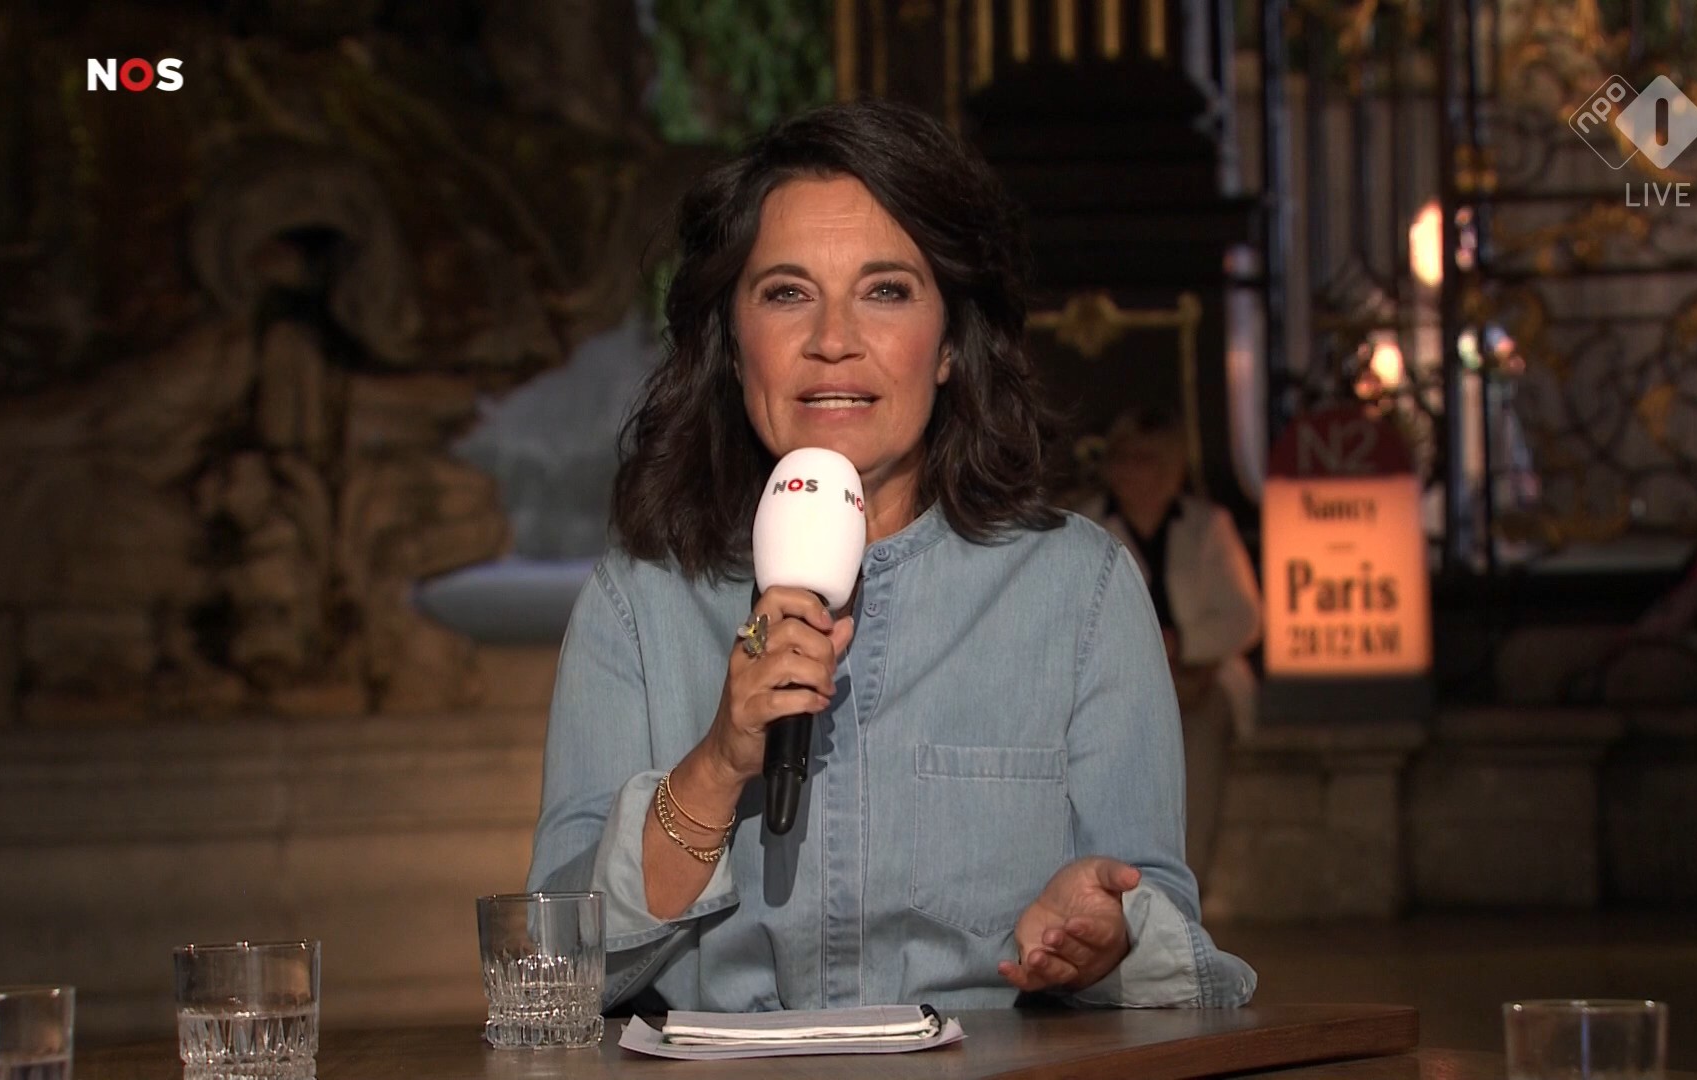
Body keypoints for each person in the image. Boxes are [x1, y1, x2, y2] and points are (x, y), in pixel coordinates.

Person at [525, 98, 1257, 1013]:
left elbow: (1166, 933)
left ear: (949, 343)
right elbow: (551, 972)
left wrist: (1108, 940)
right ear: (731, 340)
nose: (834, 341)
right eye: (787, 293)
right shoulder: (638, 603)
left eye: (886, 292)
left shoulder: (1082, 592)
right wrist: (714, 768)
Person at [1078, 408, 1263, 900]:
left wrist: (1181, 644)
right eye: (1126, 459)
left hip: (1202, 679)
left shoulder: (1207, 526)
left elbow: (1244, 618)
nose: (1136, 472)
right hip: (1118, 680)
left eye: (1149, 460)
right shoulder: (1085, 527)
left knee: (1200, 734)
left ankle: (1181, 893)